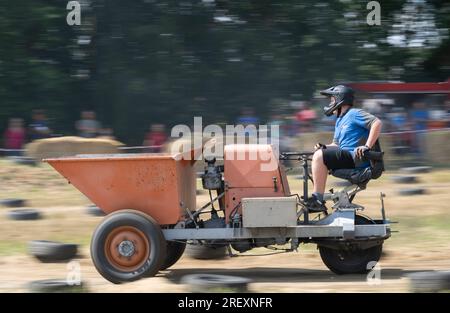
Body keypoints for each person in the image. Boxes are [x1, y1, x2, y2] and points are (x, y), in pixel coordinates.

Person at [308, 85, 383, 212]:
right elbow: (336, 145)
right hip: (346, 156)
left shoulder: (354, 113)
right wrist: (324, 147)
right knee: (318, 154)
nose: (330, 103)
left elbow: (377, 123)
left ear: (339, 99)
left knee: (320, 156)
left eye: (331, 99)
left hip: (357, 158)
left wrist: (367, 146)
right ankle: (317, 198)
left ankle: (317, 200)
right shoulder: (339, 120)